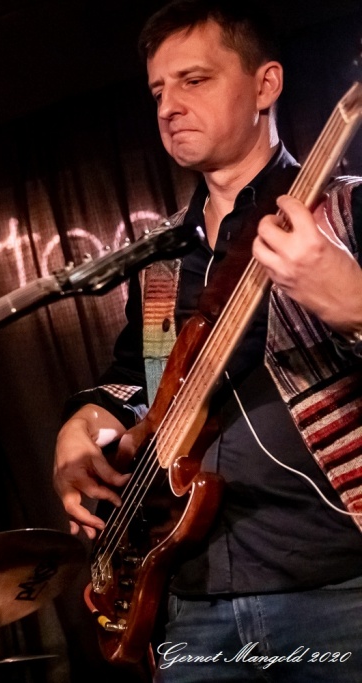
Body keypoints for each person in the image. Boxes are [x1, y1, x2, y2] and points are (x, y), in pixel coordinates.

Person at [52, 1, 362, 681]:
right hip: (189, 602)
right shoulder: (162, 263)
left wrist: (354, 305)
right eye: (158, 91)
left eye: (194, 80)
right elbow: (139, 379)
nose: (169, 107)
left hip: (338, 586)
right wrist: (82, 423)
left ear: (266, 84)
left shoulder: (345, 210)